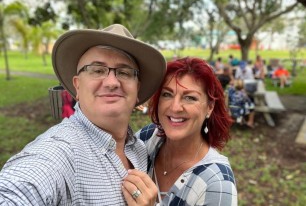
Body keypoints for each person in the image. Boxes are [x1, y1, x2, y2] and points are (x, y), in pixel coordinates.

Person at [0, 24, 166, 205]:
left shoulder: (139, 149)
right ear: (77, 86)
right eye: (97, 70)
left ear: (137, 90)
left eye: (124, 72)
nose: (112, 82)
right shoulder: (60, 153)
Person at [136, 57, 238, 205]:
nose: (175, 107)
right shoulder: (147, 137)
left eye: (190, 98)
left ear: (209, 107)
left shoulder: (218, 184)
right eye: (167, 94)